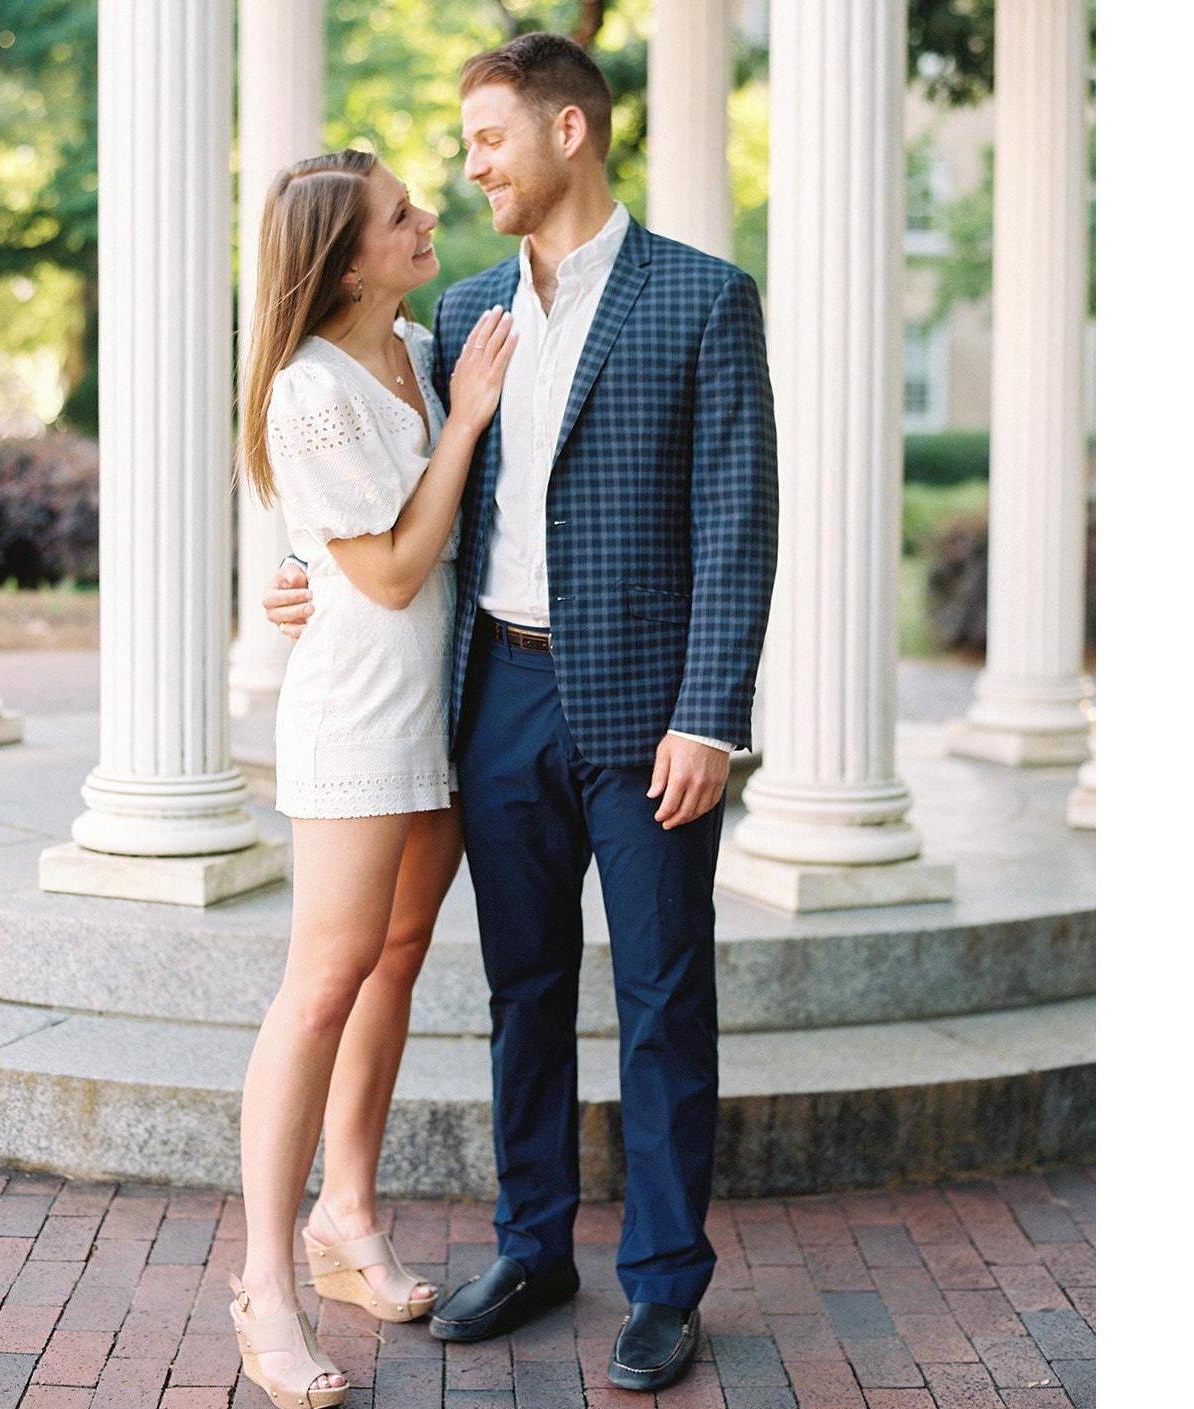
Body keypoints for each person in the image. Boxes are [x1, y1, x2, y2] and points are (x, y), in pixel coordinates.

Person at [267, 32, 778, 1396]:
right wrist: (303, 577)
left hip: (649, 711)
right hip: (494, 694)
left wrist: (709, 715)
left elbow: (737, 525)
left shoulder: (701, 299)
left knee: (667, 995)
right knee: (522, 990)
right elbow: (382, 487)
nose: (469, 166)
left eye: (488, 138)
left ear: (568, 132)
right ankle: (534, 1243)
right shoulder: (462, 320)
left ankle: (665, 1284)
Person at [229, 147, 516, 1409]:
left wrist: (453, 405)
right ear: (346, 259)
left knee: (395, 958)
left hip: (438, 705)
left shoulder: (426, 332)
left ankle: (345, 1219)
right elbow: (391, 571)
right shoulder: (308, 389)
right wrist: (465, 422)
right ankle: (263, 1282)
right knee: (319, 983)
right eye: (401, 215)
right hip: (354, 713)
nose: (426, 217)